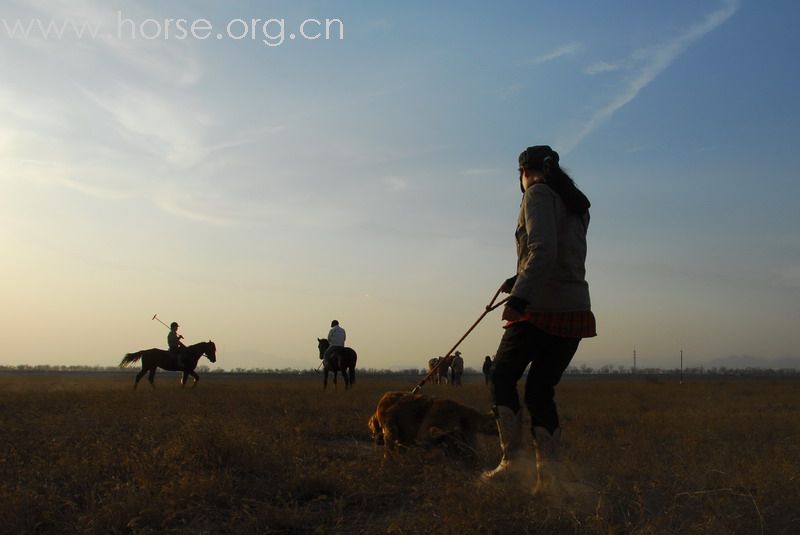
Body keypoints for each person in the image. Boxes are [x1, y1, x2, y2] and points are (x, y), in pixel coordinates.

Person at [482, 145, 596, 497]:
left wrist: (519, 297)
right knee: (540, 390)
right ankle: (549, 476)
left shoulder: (537, 193)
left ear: (524, 173)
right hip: (575, 308)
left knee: (501, 374)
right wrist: (517, 278)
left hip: (541, 307)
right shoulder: (575, 204)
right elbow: (558, 257)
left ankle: (511, 464)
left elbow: (543, 250)